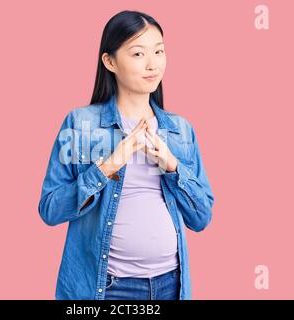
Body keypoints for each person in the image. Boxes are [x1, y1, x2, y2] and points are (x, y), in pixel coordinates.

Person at [38, 10, 215, 300]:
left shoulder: (181, 130)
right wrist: (107, 166)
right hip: (106, 288)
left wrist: (171, 166)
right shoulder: (81, 124)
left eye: (159, 51)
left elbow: (201, 217)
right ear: (110, 62)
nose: (152, 64)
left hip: (171, 286)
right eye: (137, 54)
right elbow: (50, 209)